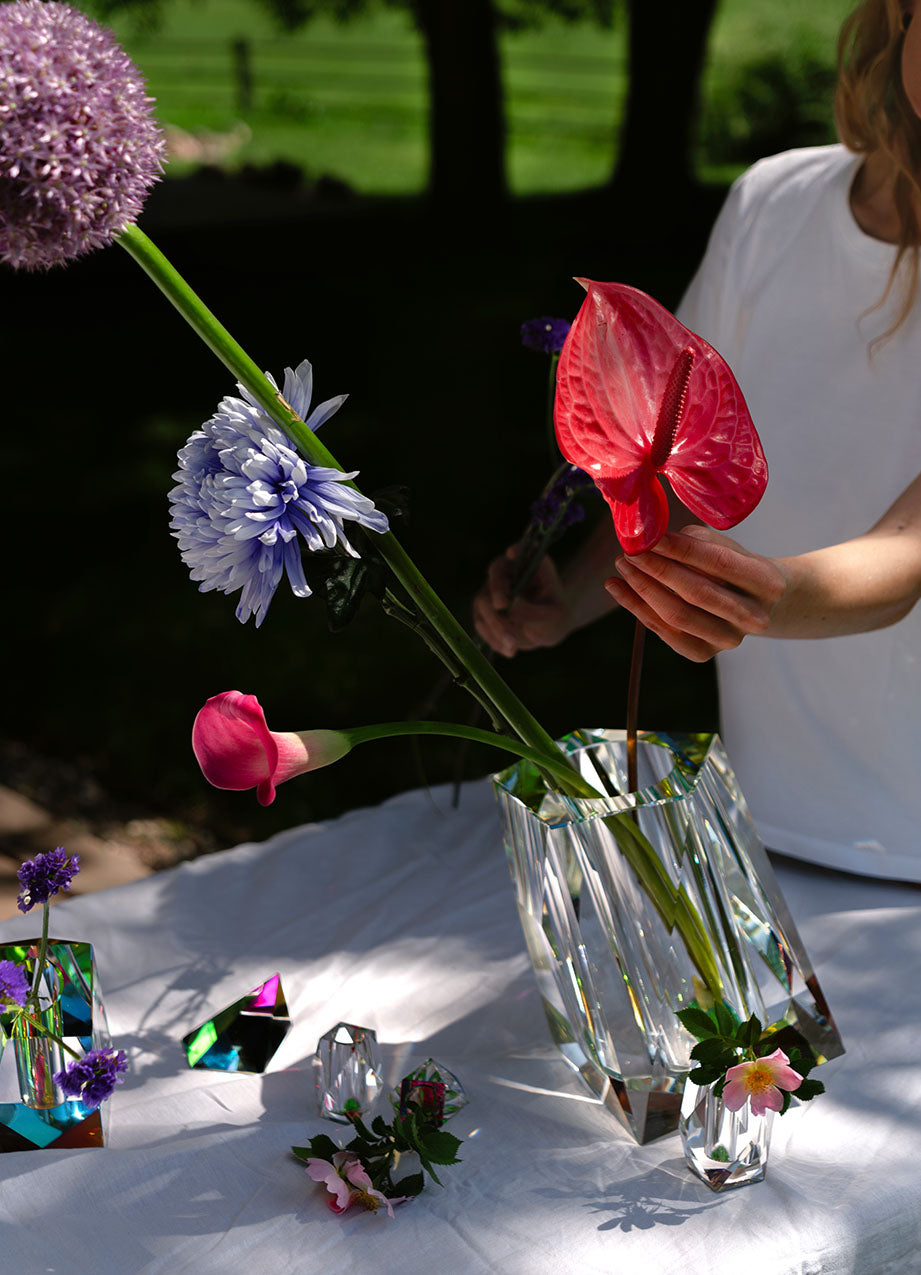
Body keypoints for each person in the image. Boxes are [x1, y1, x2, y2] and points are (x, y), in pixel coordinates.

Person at [474, 0, 921, 884]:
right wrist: (579, 595)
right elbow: (674, 460)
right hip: (766, 831)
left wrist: (765, 593)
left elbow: (907, 554)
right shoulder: (774, 202)